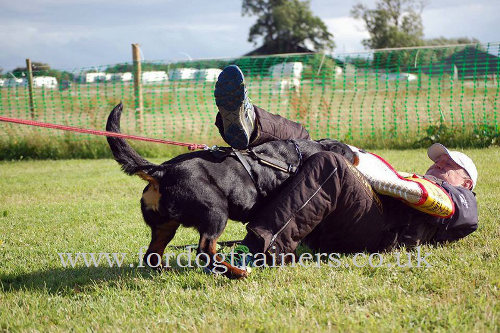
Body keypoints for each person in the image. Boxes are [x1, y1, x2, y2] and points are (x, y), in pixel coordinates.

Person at [213, 65, 479, 272]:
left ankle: (256, 251)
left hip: (379, 234)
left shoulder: (461, 199)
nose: (439, 162)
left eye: (449, 164)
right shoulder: (414, 180)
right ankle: (250, 123)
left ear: (466, 182)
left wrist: (352, 159)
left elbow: (462, 216)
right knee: (303, 140)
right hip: (340, 219)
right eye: (438, 159)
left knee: (331, 166)